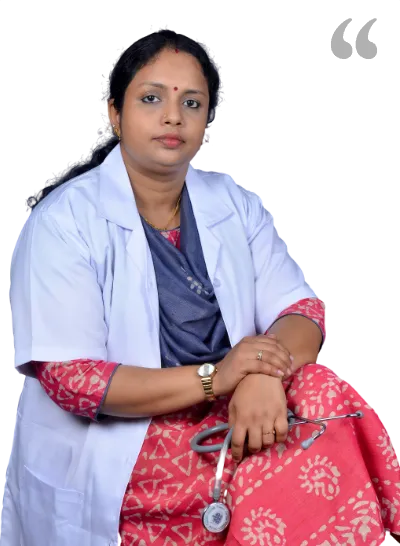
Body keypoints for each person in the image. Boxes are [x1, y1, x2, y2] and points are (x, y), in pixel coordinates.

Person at [2, 28, 400, 546]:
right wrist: (219, 377)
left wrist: (261, 375)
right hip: (128, 440)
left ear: (207, 120)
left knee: (322, 390)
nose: (173, 116)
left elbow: (300, 311)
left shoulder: (232, 202)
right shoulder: (63, 223)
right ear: (114, 114)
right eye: (151, 99)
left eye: (191, 102)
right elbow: (72, 380)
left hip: (240, 409)